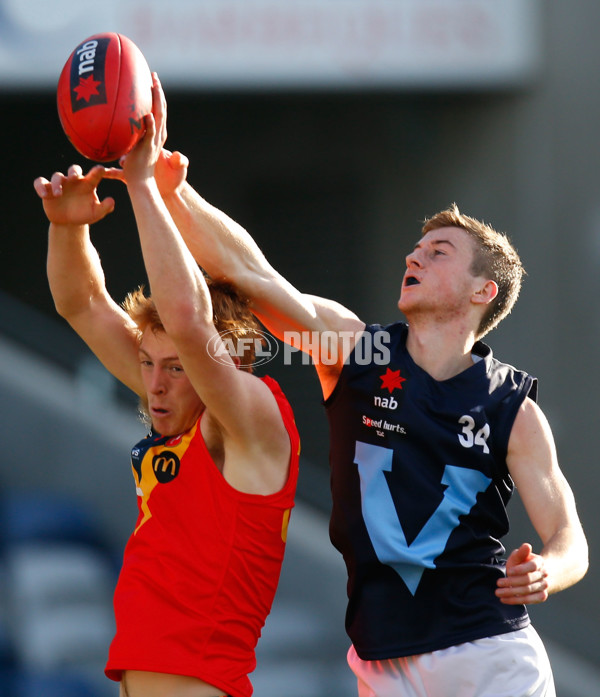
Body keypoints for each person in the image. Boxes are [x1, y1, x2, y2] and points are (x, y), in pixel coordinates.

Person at [132, 77, 589, 696]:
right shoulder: (359, 349)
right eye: (415, 247)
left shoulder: (512, 406)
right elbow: (248, 272)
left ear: (483, 292)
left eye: (439, 252)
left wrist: (548, 573)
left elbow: (571, 541)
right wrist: (171, 187)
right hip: (380, 660)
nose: (415, 257)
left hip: (487, 649)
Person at [33, 76, 300, 697]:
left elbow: (187, 320)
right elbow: (82, 303)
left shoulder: (250, 419)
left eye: (176, 368)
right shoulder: (177, 405)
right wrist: (67, 227)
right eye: (149, 363)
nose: (152, 384)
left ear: (223, 361)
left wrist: (144, 183)